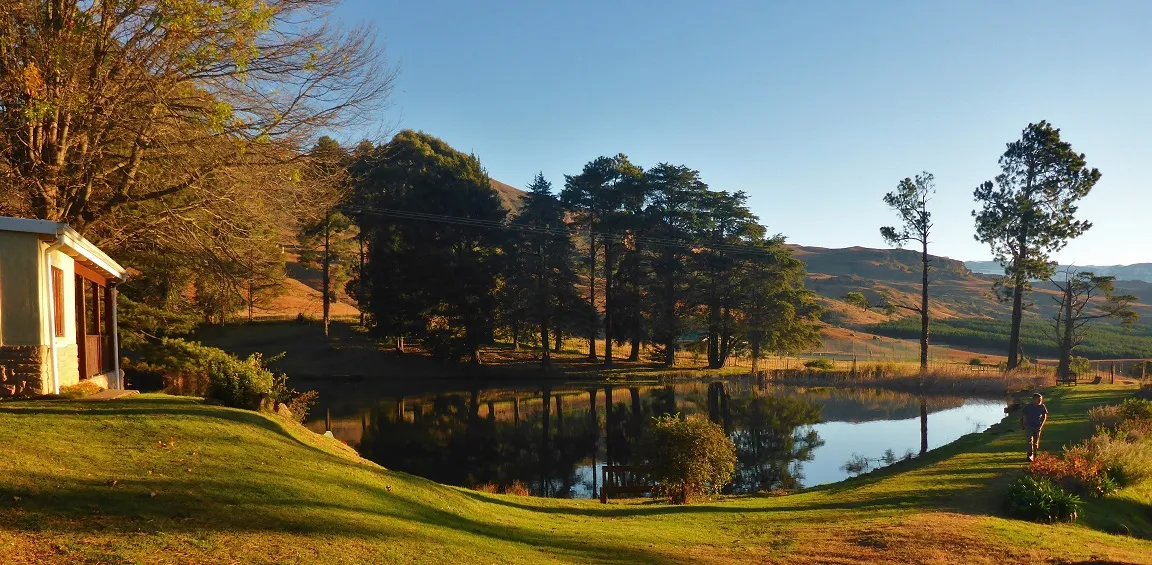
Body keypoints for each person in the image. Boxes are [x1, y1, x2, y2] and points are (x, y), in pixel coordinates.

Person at [1020, 393, 1048, 461]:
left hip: (1037, 426)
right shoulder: (1028, 407)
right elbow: (1022, 416)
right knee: (1029, 441)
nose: (1040, 401)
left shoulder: (1042, 406)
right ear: (1034, 400)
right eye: (1038, 399)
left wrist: (1041, 425)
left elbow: (1044, 416)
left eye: (1041, 400)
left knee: (1035, 442)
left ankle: (1035, 455)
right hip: (1029, 426)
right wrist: (1022, 425)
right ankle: (1029, 455)